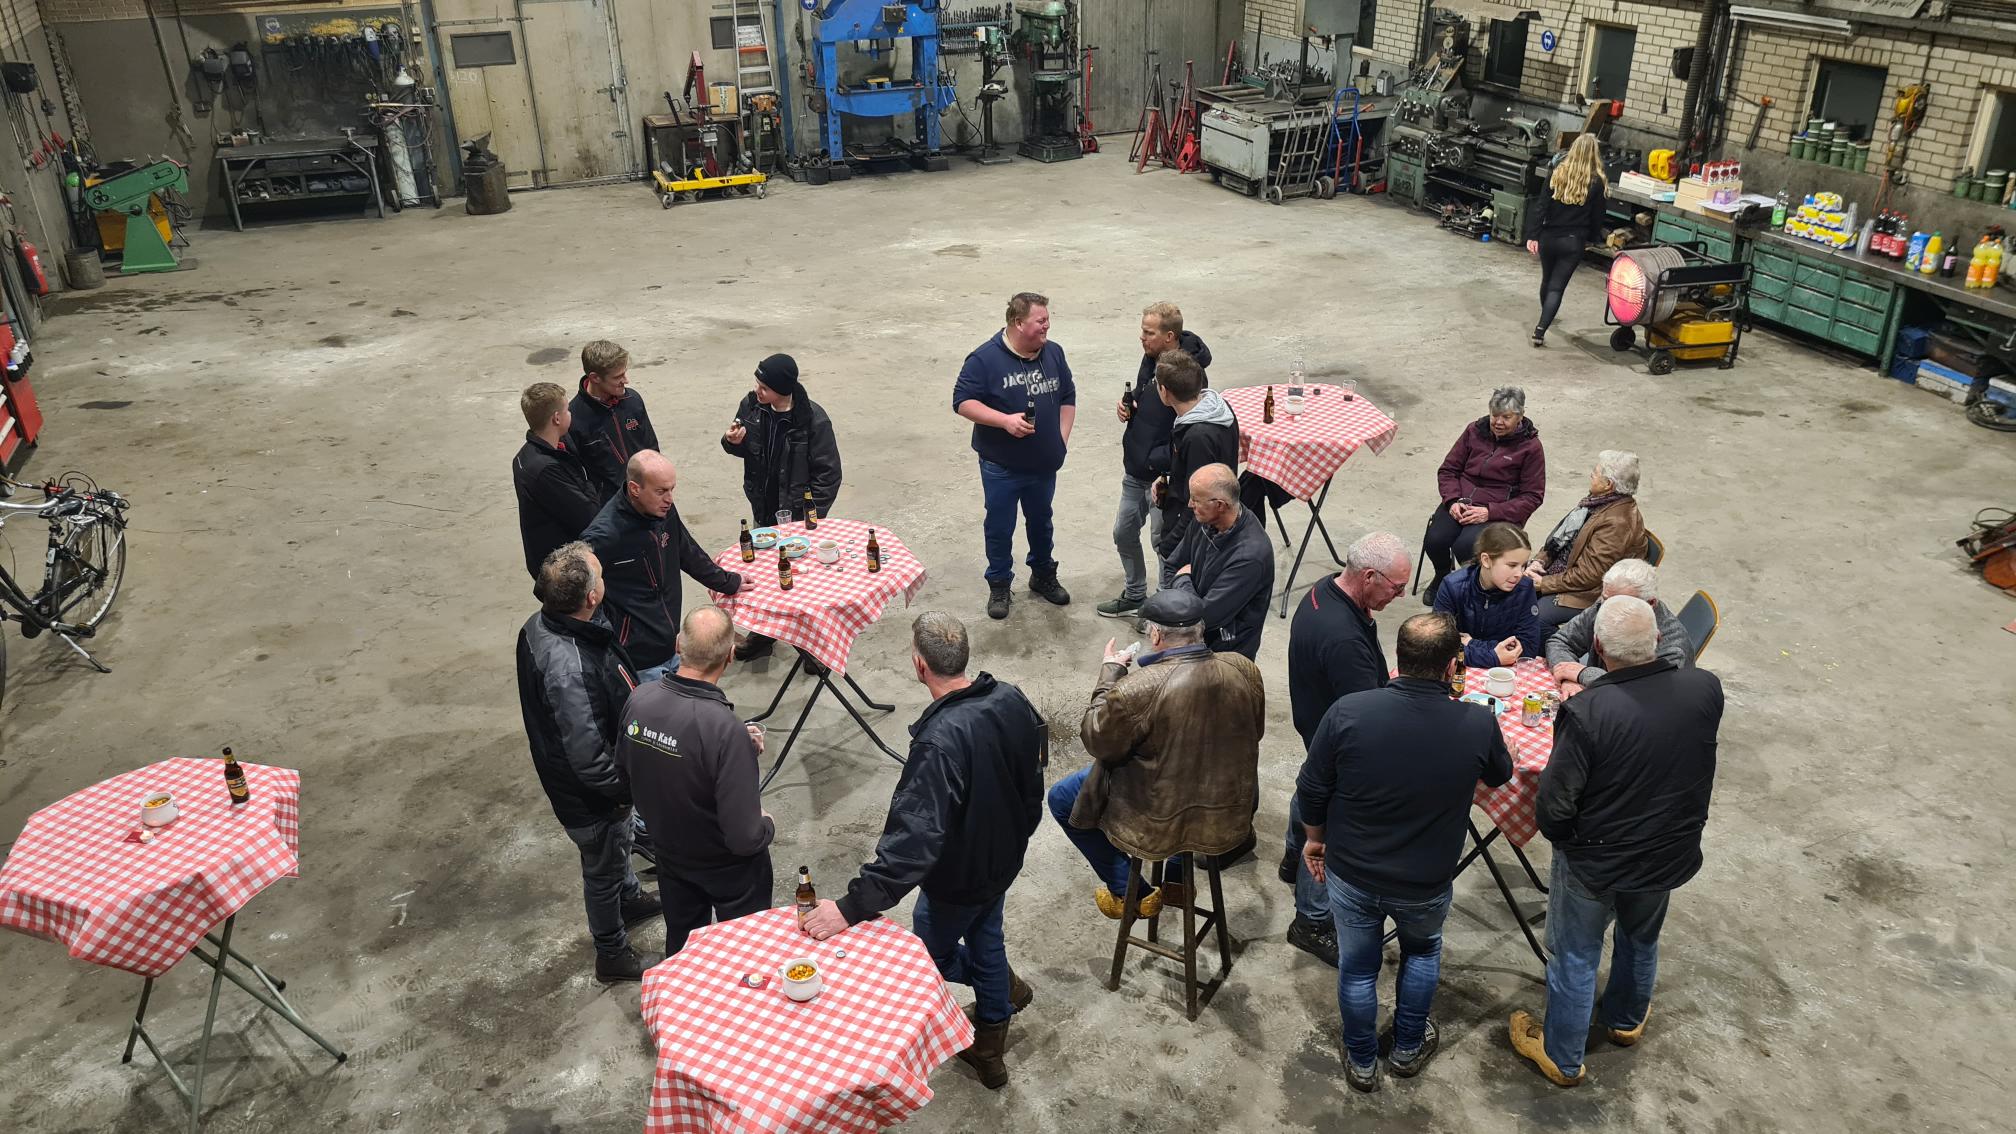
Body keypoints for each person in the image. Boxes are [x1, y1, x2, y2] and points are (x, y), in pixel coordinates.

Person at [799, 613, 1046, 1090]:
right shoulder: (1011, 698)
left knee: (924, 958)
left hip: (958, 880)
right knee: (986, 938)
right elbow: (1034, 776)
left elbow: (914, 839)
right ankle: (992, 1033)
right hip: (1002, 861)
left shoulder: (939, 741)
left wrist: (852, 907)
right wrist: (1018, 836)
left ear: (919, 665)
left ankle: (995, 995)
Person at [1509, 597, 1723, 1087]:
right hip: (1669, 847)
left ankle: (1562, 1056)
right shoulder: (1705, 687)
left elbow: (1555, 807)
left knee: (1576, 954)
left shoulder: (1587, 712)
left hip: (1598, 858)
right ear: (1657, 641)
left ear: (1598, 648)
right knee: (1641, 935)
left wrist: (1567, 845)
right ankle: (1626, 1021)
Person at [1297, 612, 1513, 1092]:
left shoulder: (1349, 711)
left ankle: (1361, 1061)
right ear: (1451, 665)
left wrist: (1315, 838)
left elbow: (1311, 788)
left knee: (1357, 967)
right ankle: (1408, 1049)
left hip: (1351, 872)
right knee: (1421, 951)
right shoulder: (1478, 722)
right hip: (1425, 879)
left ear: (1399, 657)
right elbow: (1501, 776)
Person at [1048, 589, 1265, 920]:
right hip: (1225, 808)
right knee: (1186, 777)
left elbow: (1096, 739)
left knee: (1062, 799)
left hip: (1158, 817)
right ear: (1199, 629)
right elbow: (1256, 732)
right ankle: (1177, 881)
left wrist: (1109, 673)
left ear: (1156, 634)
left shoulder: (1139, 688)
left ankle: (1133, 892)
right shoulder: (1242, 668)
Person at [515, 542, 662, 983]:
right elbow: (591, 759)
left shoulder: (543, 625)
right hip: (591, 798)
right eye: (600, 575)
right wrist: (627, 794)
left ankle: (630, 898)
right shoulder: (569, 668)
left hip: (587, 784)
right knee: (601, 869)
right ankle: (611, 953)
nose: (604, 578)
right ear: (591, 596)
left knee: (616, 854)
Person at [1280, 531, 1411, 967]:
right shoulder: (1344, 641)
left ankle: (1289, 859)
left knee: (1310, 790)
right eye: (1395, 587)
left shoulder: (1325, 590)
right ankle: (1312, 920)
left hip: (1315, 726)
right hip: (1337, 742)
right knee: (1330, 829)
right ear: (1369, 576)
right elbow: (1365, 716)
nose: (1400, 595)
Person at [614, 606, 775, 956]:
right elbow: (744, 837)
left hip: (670, 857)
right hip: (727, 868)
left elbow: (626, 771)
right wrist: (767, 825)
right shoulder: (724, 729)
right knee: (748, 952)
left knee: (684, 948)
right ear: (731, 656)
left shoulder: (639, 699)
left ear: (677, 645)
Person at [954, 292, 1077, 620]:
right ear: (1017, 323)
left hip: (1043, 464)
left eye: (1047, 319)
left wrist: (1061, 439)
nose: (1046, 326)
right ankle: (999, 584)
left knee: (1041, 522)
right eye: (1040, 321)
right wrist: (1004, 421)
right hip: (1001, 467)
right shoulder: (984, 359)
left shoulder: (1053, 353)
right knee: (999, 526)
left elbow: (1067, 395)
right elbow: (963, 402)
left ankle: (1042, 575)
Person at [720, 353, 843, 660]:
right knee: (763, 572)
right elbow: (745, 449)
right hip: (764, 505)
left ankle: (811, 646)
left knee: (803, 580)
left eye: (764, 386)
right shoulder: (751, 407)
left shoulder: (813, 420)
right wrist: (732, 442)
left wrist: (810, 518)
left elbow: (829, 475)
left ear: (783, 388)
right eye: (757, 384)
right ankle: (763, 635)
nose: (757, 391)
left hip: (798, 514)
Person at [582, 451, 744, 684]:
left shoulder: (663, 510)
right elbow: (579, 597)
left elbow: (687, 551)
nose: (669, 498)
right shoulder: (605, 536)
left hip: (672, 646)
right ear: (635, 489)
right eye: (661, 491)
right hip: (638, 661)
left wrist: (729, 582)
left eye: (671, 489)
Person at [1101, 301, 1213, 619]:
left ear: (1168, 336)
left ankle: (1162, 608)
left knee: (1164, 545)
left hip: (1162, 479)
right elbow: (1142, 394)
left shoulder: (1188, 374)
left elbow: (1188, 430)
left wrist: (1160, 462)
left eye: (1148, 333)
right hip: (1135, 469)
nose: (1142, 338)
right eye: (1142, 331)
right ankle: (1136, 594)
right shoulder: (1150, 358)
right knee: (1123, 532)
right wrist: (1129, 406)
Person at [1422, 386, 1545, 601]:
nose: (1498, 422)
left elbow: (1532, 496)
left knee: (1467, 546)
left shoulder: (1530, 447)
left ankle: (1469, 589)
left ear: (1520, 416)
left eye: (1506, 417)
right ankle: (1442, 575)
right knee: (1435, 539)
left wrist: (1489, 512)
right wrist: (1452, 500)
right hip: (1462, 500)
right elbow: (1449, 469)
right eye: (1494, 415)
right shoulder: (1474, 431)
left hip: (1497, 510)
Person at [1527, 450, 1647, 628]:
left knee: (1533, 616)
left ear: (1608, 484)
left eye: (1596, 472)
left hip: (1587, 594)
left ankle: (1555, 652)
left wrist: (1543, 583)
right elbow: (1559, 540)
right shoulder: (1595, 502)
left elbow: (1589, 576)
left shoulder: (1617, 524)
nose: (1591, 474)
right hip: (1565, 574)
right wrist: (1539, 561)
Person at [1167, 463, 1274, 660]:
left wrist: (1182, 580)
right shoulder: (1206, 520)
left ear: (1220, 505)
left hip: (1224, 656)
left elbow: (1205, 617)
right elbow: (1172, 566)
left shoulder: (1250, 557)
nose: (1190, 504)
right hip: (1191, 642)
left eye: (1196, 499)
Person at [1149, 351, 1240, 582]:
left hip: (1193, 537)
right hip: (1201, 527)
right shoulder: (1217, 409)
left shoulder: (1197, 437)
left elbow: (1199, 501)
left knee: (1172, 599)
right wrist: (1169, 476)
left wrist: (1170, 546)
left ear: (1164, 391)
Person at [1544, 558, 1691, 697]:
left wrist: (1583, 674)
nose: (1608, 608)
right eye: (1605, 599)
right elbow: (1560, 641)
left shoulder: (1673, 646)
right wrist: (1568, 678)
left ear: (1650, 603)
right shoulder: (1605, 607)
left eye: (1620, 603)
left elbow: (1645, 692)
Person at [1524, 133, 1608, 347]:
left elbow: (1541, 206)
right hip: (1572, 241)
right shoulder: (1596, 182)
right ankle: (1541, 329)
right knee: (1556, 288)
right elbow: (1597, 217)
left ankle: (1545, 317)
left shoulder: (1557, 173)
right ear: (1593, 154)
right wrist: (1593, 239)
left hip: (1548, 238)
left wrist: (1533, 235)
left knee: (1547, 281)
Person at [514, 382, 604, 579]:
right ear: (556, 418)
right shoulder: (546, 470)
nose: (570, 413)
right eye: (567, 410)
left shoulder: (524, 456)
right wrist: (589, 482)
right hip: (564, 571)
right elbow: (589, 516)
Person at [1432, 521, 1548, 669]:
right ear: (1486, 560)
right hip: (1460, 672)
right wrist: (1494, 657)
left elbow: (1528, 649)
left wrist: (1472, 643)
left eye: (1523, 565)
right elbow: (1439, 646)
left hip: (1504, 673)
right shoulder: (1452, 586)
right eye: (1512, 565)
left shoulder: (1524, 589)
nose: (1519, 574)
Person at [567, 340, 661, 500]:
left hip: (648, 495)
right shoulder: (574, 418)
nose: (626, 380)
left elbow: (651, 446)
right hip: (611, 506)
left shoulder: (633, 400)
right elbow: (576, 477)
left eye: (624, 373)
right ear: (595, 377)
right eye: (618, 376)